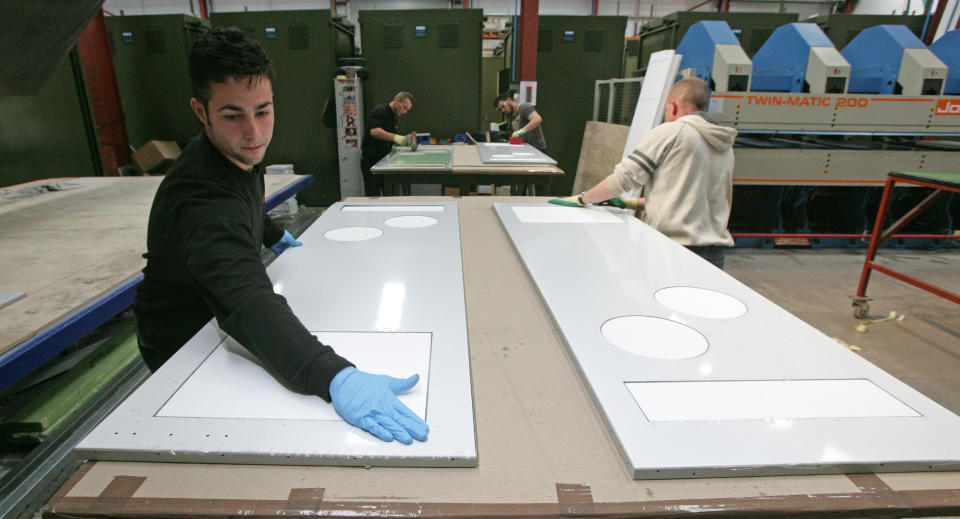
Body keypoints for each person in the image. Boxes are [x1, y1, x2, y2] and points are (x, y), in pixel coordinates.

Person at [133, 28, 428, 444]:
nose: (254, 133)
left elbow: (247, 197)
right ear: (201, 111)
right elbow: (247, 301)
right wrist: (335, 375)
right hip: (184, 341)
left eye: (263, 111)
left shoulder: (231, 153)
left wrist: (269, 233)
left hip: (217, 315)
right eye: (233, 115)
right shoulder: (201, 199)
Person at [549, 78, 736, 269]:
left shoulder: (672, 132)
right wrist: (632, 203)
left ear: (673, 106)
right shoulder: (724, 144)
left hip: (673, 252)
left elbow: (623, 179)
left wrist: (583, 198)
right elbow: (693, 198)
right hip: (714, 254)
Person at [361, 92, 414, 197]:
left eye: (407, 109)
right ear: (397, 101)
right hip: (372, 162)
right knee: (373, 195)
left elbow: (388, 135)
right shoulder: (381, 112)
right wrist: (395, 137)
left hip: (383, 162)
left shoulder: (393, 116)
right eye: (404, 107)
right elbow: (375, 131)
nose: (405, 112)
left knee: (387, 195)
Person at [494, 93, 548, 195]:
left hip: (537, 150)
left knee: (539, 187)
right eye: (500, 109)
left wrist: (522, 130)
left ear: (509, 100)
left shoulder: (524, 108)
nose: (503, 110)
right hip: (524, 153)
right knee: (519, 187)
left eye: (503, 107)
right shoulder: (510, 116)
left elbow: (537, 119)